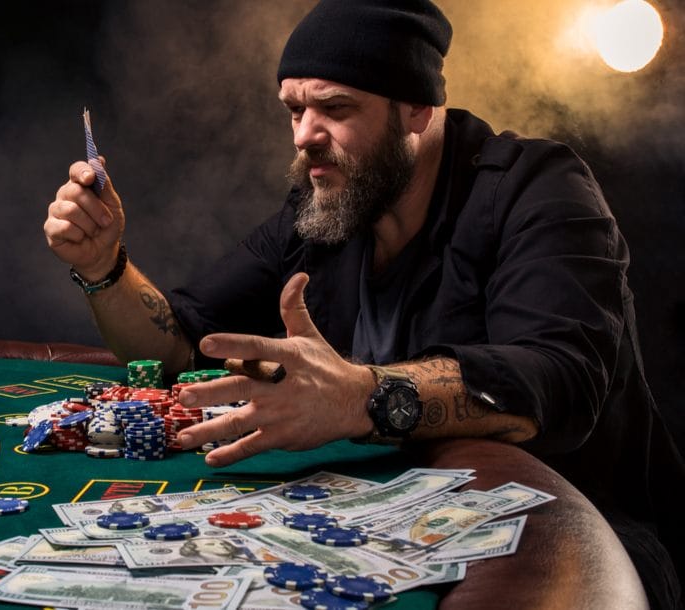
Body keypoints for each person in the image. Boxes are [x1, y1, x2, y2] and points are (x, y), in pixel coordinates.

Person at [42, 0, 683, 607]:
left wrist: (359, 395)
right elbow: (184, 343)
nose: (305, 136)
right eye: (294, 110)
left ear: (416, 110)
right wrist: (104, 266)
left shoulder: (538, 190)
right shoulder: (321, 210)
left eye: (335, 108)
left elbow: (558, 382)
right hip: (407, 533)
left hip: (591, 548)